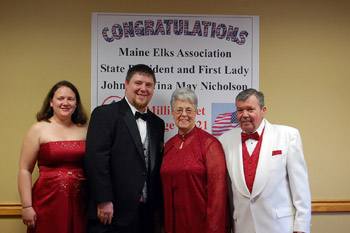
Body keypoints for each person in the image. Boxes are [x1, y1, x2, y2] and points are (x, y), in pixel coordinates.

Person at [85, 64, 165, 233]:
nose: (143, 89)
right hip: (111, 213)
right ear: (126, 84)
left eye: (148, 85)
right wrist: (104, 200)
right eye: (138, 83)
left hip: (146, 215)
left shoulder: (158, 123)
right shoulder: (104, 114)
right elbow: (96, 161)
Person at [219, 88, 311, 233]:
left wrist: (302, 227)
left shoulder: (288, 136)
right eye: (240, 110)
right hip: (242, 226)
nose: (244, 115)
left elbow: (300, 187)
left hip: (279, 227)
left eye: (250, 109)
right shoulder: (225, 140)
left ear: (263, 110)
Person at [18, 80, 89, 233]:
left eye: (70, 99)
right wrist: (27, 206)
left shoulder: (86, 130)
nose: (66, 103)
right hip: (47, 200)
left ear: (76, 103)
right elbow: (25, 170)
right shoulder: (38, 129)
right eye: (60, 98)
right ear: (51, 102)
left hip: (81, 202)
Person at [160, 88, 229, 233]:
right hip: (171, 226)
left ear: (196, 112)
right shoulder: (169, 146)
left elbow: (218, 197)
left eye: (188, 110)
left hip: (199, 226)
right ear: (172, 113)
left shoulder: (210, 144)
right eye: (179, 110)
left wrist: (213, 229)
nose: (184, 114)